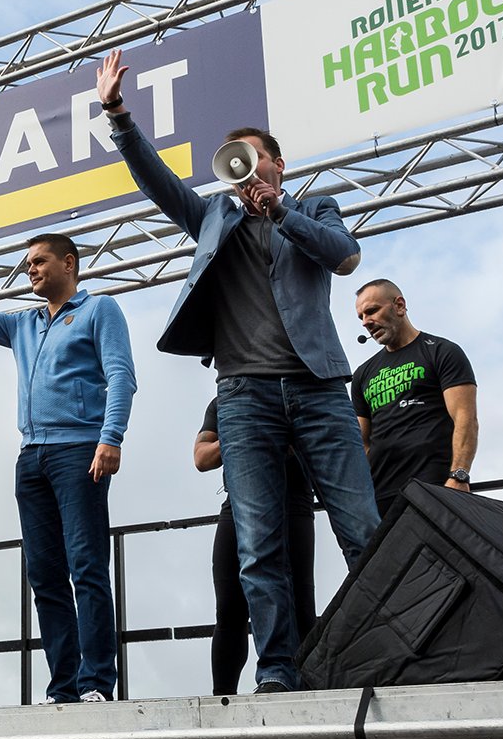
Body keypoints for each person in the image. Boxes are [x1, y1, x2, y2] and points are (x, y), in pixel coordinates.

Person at [97, 48, 379, 694]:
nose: (245, 172)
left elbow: (345, 258)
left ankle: (388, 650)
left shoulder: (316, 208)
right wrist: (118, 115)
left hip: (317, 388)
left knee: (361, 526)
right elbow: (156, 181)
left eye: (254, 158)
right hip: (244, 395)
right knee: (257, 544)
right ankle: (278, 668)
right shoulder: (213, 218)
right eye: (236, 164)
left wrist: (280, 211)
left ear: (277, 163)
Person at [0, 219, 136, 704]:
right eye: (28, 264)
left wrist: (112, 436)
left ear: (69, 263)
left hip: (80, 451)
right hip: (31, 458)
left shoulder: (99, 308)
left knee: (86, 565)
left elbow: (122, 375)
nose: (30, 270)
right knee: (44, 575)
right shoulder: (23, 322)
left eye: (39, 261)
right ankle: (63, 687)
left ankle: (96, 683)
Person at [194, 399, 315, 695]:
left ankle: (310, 693)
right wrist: (239, 432)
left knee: (299, 603)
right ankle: (221, 701)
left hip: (292, 503)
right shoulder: (222, 403)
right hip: (236, 507)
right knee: (229, 608)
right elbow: (201, 457)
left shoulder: (295, 392)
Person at [352, 278, 478, 518]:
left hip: (434, 487)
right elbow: (361, 441)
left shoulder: (442, 351)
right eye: (361, 317)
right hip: (380, 496)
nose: (366, 322)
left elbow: (466, 418)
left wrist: (459, 476)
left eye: (372, 311)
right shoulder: (363, 374)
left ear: (399, 305)